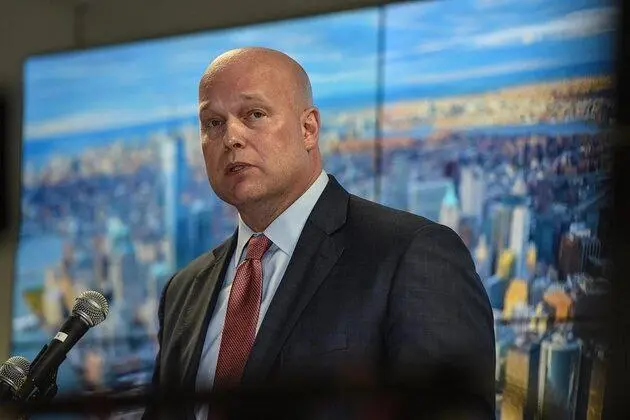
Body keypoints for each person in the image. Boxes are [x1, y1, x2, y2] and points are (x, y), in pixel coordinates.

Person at [143, 47, 495, 419]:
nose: (231, 137)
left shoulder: (411, 255)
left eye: (254, 114)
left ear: (308, 129)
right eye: (213, 123)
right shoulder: (183, 290)